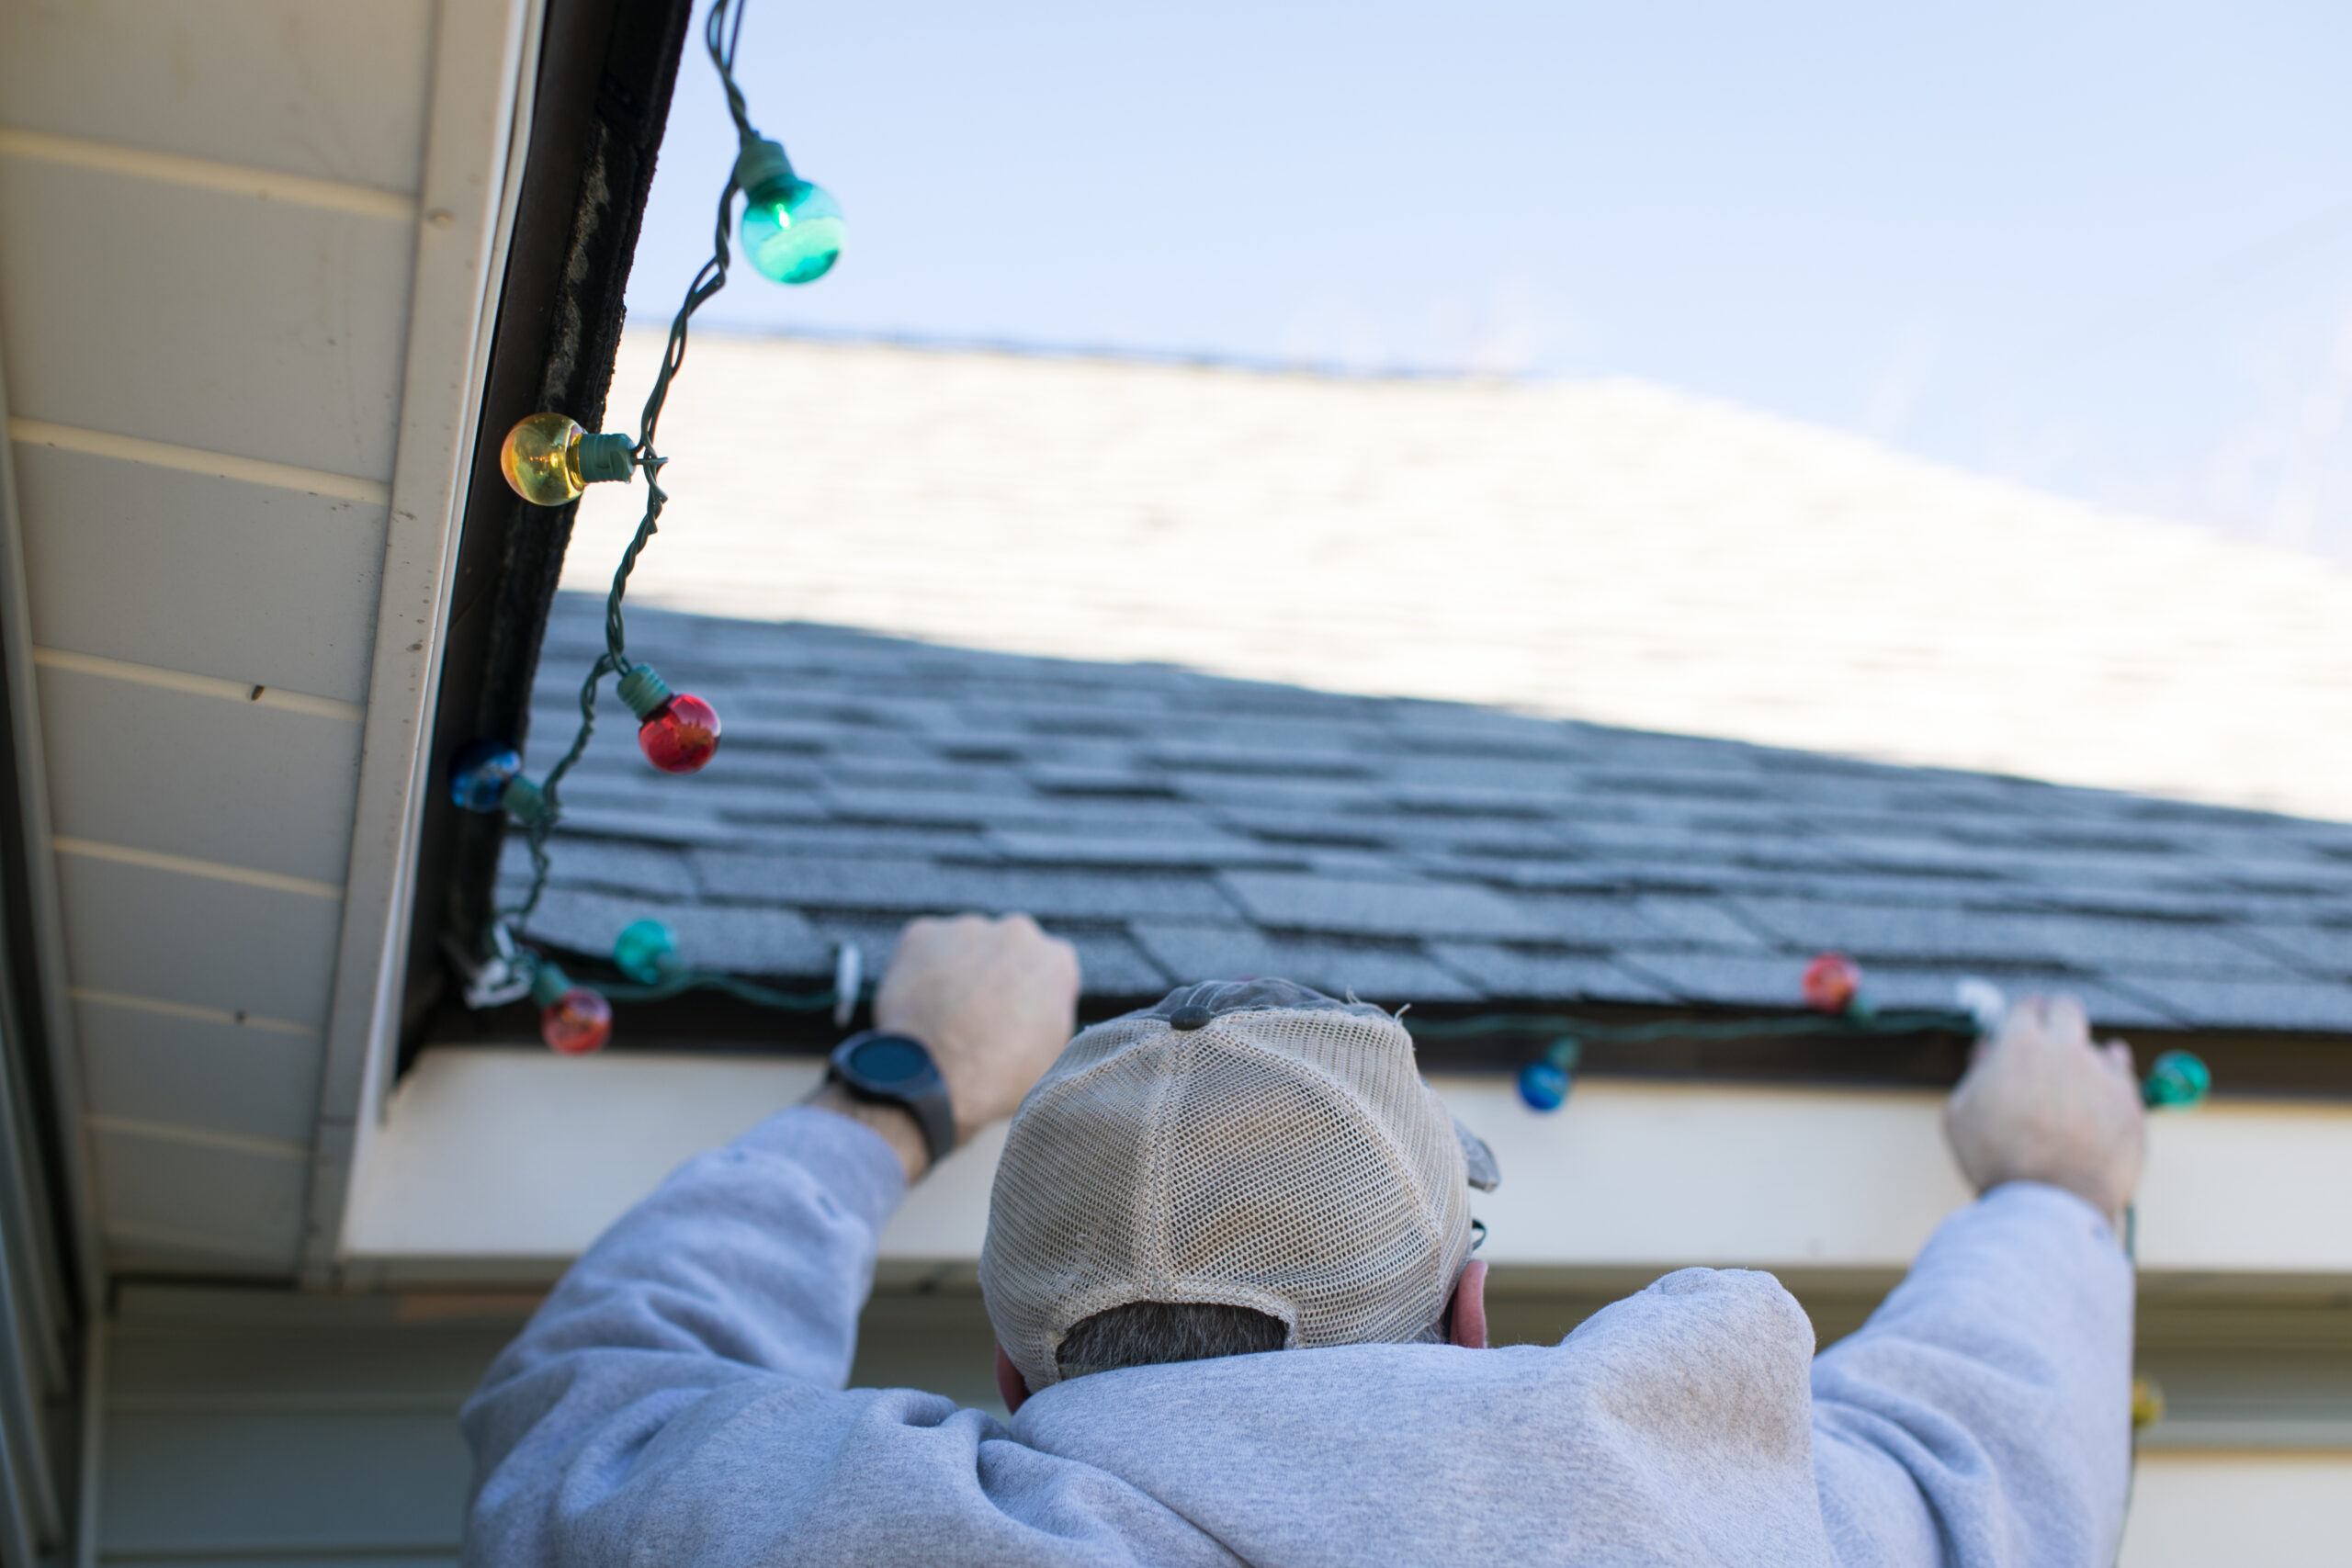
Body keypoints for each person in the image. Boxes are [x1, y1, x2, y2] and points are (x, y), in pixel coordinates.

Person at [462, 912, 2145, 1567]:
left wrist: (895, 1093)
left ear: (1011, 1373)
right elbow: (1976, 1458)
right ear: (1468, 1310)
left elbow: (593, 1404)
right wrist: (2054, 1186)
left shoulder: (843, 1540)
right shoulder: (1740, 1528)